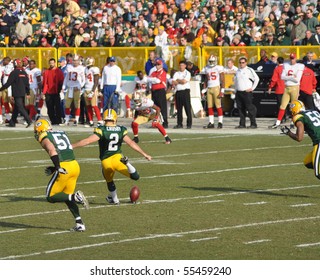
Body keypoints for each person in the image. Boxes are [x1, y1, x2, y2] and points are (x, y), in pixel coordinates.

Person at [72, 109, 152, 205]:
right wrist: (144, 154)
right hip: (118, 159)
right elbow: (131, 143)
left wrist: (71, 146)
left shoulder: (101, 129)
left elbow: (87, 141)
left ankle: (115, 200)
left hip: (106, 162)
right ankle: (127, 163)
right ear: (115, 119)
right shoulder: (121, 129)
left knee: (109, 181)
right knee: (135, 176)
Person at [33, 118, 89, 232]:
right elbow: (63, 151)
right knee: (66, 196)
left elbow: (52, 150)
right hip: (74, 166)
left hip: (64, 167)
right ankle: (79, 223)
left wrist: (58, 167)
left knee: (51, 196)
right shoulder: (60, 132)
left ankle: (76, 197)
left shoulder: (44, 135)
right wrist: (55, 167)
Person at [281, 100, 320, 181]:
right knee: (307, 162)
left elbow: (299, 138)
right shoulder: (313, 111)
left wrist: (288, 133)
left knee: (318, 173)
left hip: (319, 142)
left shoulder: (298, 117)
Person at [274, 53, 305, 128]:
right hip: (287, 87)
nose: (292, 60)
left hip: (295, 87)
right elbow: (282, 77)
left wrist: (287, 77)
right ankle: (278, 122)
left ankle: (293, 122)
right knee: (282, 105)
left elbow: (297, 79)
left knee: (294, 106)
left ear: (296, 58)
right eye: (291, 58)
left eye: (293, 58)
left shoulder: (300, 66)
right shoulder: (286, 65)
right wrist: (291, 77)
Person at [0, 59, 32, 128]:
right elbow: (27, 84)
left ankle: (29, 120)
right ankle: (12, 122)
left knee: (20, 107)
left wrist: (1, 89)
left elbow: (8, 83)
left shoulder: (14, 72)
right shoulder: (24, 72)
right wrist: (28, 92)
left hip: (17, 93)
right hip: (23, 93)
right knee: (16, 108)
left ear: (15, 64)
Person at [234, 56, 260, 129]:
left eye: (243, 62)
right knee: (240, 108)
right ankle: (242, 124)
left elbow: (257, 79)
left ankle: (253, 123)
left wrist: (252, 88)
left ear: (246, 63)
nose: (241, 64)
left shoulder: (249, 70)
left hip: (246, 93)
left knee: (249, 108)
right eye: (240, 63)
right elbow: (236, 82)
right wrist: (235, 90)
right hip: (239, 92)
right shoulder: (238, 71)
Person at [200, 55, 225, 129]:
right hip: (209, 88)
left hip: (216, 88)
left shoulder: (219, 68)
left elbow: (222, 79)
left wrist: (222, 90)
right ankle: (211, 122)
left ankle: (220, 122)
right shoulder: (206, 68)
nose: (211, 63)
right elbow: (206, 79)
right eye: (210, 61)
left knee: (218, 106)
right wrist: (204, 89)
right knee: (209, 106)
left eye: (212, 61)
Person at [61, 54, 85, 126]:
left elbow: (84, 80)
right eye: (74, 60)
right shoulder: (69, 67)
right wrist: (63, 86)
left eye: (76, 60)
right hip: (69, 88)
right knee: (67, 104)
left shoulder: (81, 68)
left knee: (77, 105)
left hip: (76, 89)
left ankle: (76, 120)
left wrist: (79, 86)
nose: (75, 62)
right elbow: (66, 78)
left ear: (79, 61)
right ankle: (67, 120)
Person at [42, 58, 65, 125]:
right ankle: (53, 120)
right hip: (48, 92)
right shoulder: (46, 71)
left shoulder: (58, 71)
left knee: (57, 107)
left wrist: (59, 89)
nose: (51, 64)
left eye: (52, 63)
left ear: (55, 63)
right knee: (49, 107)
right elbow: (44, 82)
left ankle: (58, 120)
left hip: (56, 91)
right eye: (50, 63)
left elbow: (61, 81)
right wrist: (43, 91)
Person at [148, 59, 168, 128]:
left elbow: (158, 80)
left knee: (162, 107)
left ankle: (165, 123)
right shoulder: (154, 73)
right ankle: (155, 122)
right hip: (154, 91)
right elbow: (149, 79)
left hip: (160, 91)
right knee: (154, 107)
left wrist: (153, 80)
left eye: (158, 64)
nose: (157, 66)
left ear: (161, 65)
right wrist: (154, 80)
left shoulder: (163, 72)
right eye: (156, 64)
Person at [172, 60, 192, 129]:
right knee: (179, 109)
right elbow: (173, 82)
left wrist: (178, 80)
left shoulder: (187, 73)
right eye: (180, 65)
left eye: (182, 65)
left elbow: (184, 81)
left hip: (185, 91)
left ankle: (189, 124)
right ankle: (179, 123)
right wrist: (178, 81)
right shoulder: (176, 73)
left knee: (187, 108)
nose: (181, 67)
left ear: (185, 66)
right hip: (178, 91)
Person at [83, 56, 103, 127]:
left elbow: (96, 81)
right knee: (88, 106)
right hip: (86, 89)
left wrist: (92, 91)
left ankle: (100, 120)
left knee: (94, 106)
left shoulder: (95, 69)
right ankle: (90, 121)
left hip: (92, 89)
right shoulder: (85, 69)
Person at [268, 57, 286, 129]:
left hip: (279, 89)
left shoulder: (277, 69)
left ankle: (282, 118)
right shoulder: (286, 68)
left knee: (280, 105)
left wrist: (270, 87)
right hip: (287, 88)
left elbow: (274, 79)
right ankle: (286, 116)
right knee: (287, 104)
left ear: (278, 62)